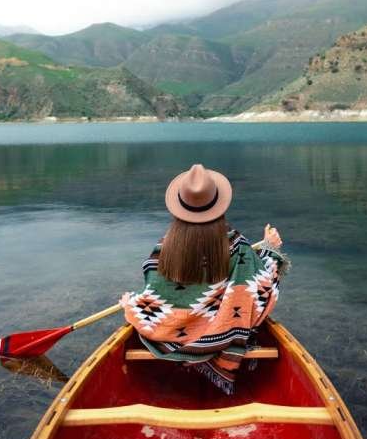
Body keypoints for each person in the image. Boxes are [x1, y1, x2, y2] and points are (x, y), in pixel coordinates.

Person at [119, 164, 286, 394]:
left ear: (180, 206)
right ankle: (214, 346)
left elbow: (156, 292)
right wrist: (270, 249)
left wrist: (132, 305)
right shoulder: (236, 244)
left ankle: (185, 357)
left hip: (173, 335)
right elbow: (260, 286)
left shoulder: (166, 245)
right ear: (218, 206)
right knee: (247, 303)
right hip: (224, 335)